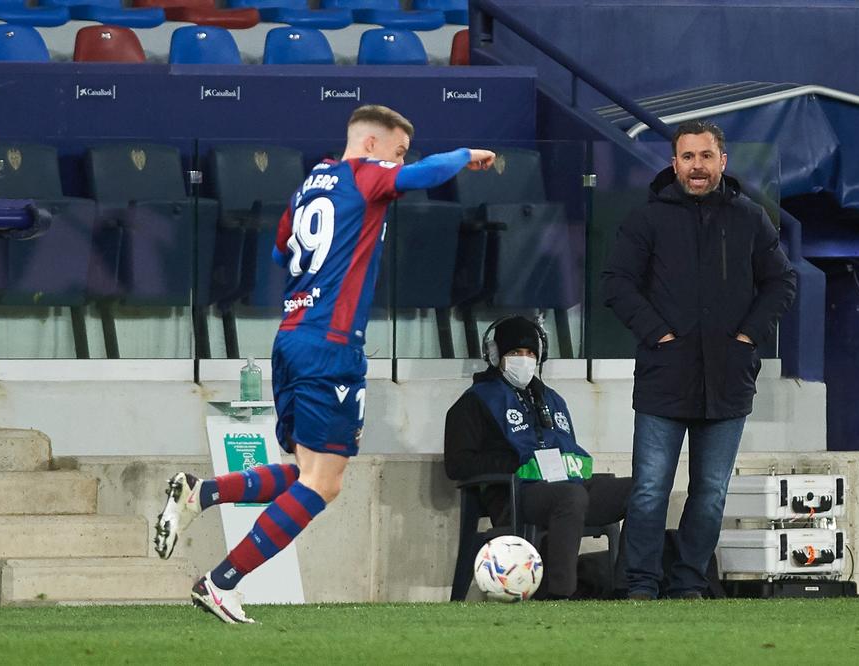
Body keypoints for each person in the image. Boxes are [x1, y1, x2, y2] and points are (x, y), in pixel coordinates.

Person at [153, 105, 496, 623]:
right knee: (323, 483)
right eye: (398, 152)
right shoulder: (366, 174)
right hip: (331, 344)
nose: (400, 164)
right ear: (373, 144)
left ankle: (200, 494)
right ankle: (222, 582)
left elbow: (278, 256)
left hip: (290, 337)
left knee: (306, 471)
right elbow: (423, 176)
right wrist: (466, 155)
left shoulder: (309, 187)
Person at [601, 120, 797, 600]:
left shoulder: (751, 218)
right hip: (663, 378)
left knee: (710, 494)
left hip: (729, 381)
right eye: (687, 157)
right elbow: (616, 283)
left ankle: (688, 584)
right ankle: (640, 585)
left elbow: (782, 282)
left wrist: (749, 335)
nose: (696, 167)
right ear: (674, 163)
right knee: (649, 491)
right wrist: (658, 333)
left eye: (705, 157)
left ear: (722, 162)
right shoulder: (646, 219)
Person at [444, 315, 632, 600]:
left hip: (568, 487)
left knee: (642, 490)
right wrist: (515, 464)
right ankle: (560, 595)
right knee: (571, 497)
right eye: (515, 353)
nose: (524, 359)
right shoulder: (473, 402)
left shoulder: (552, 399)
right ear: (495, 356)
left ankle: (627, 587)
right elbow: (457, 464)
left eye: (530, 353)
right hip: (515, 495)